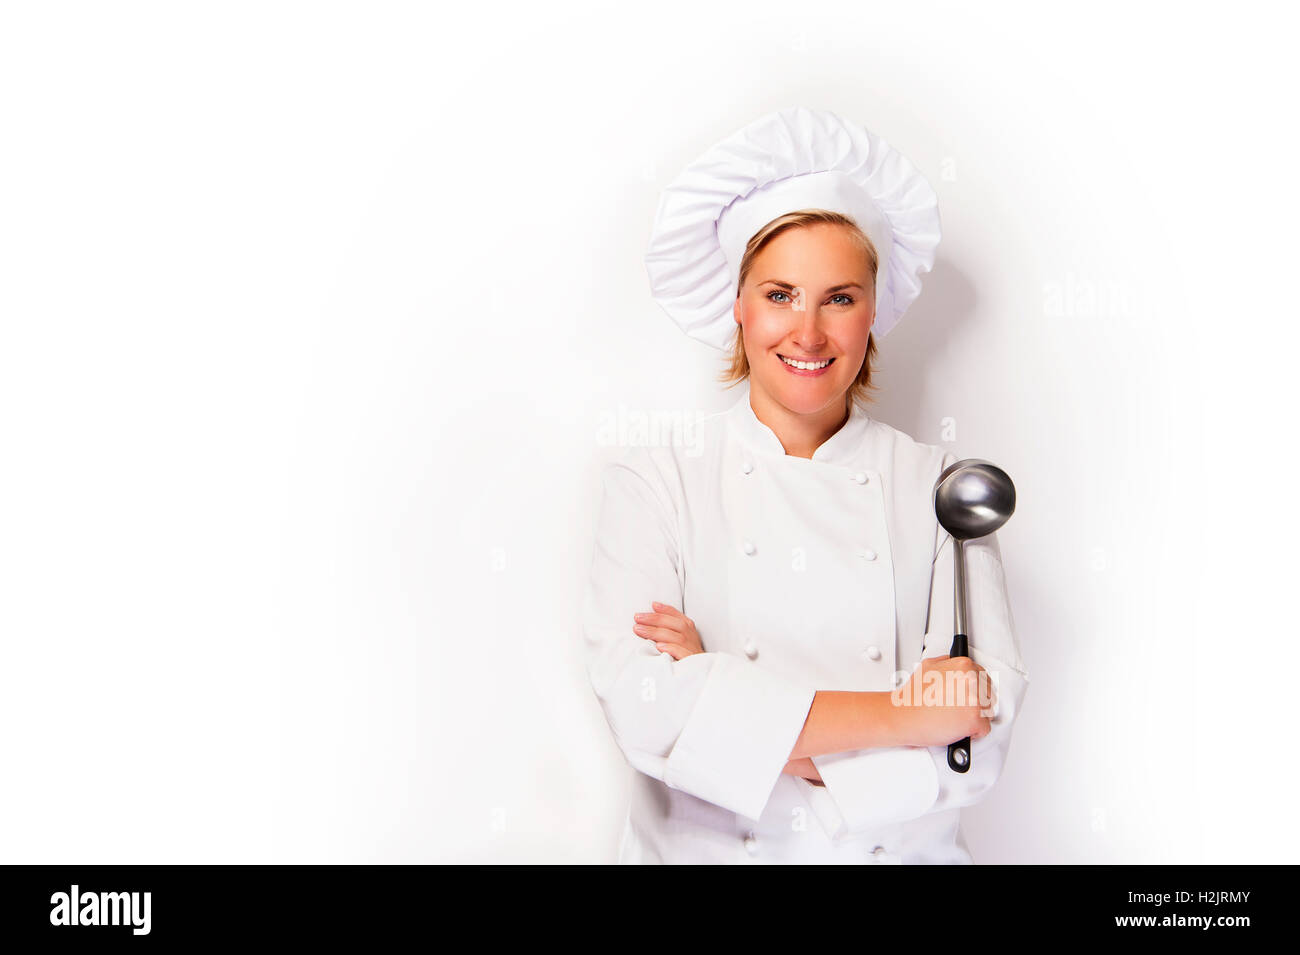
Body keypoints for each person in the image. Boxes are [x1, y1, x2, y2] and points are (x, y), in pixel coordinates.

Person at [582, 107, 1029, 864]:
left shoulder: (944, 493)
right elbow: (647, 708)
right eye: (780, 294)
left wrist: (718, 701)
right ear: (739, 305)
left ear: (873, 312)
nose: (810, 333)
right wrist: (902, 717)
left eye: (840, 297)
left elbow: (974, 746)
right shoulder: (655, 481)